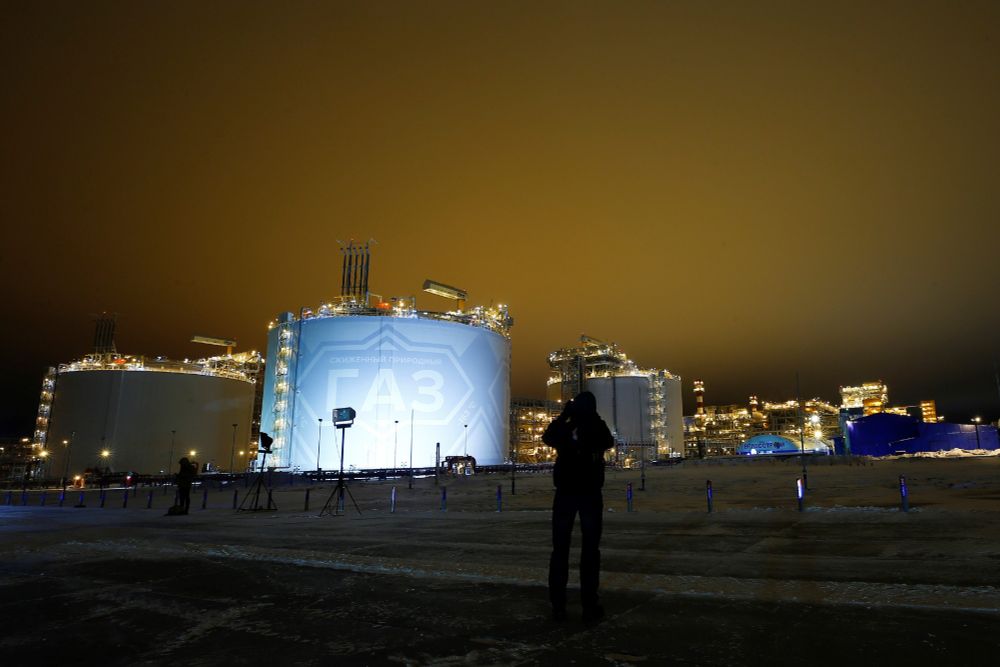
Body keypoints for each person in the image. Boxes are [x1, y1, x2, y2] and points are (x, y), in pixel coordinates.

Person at [543, 390, 614, 623]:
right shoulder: (596, 426)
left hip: (565, 494)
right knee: (590, 550)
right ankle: (589, 605)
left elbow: (548, 437)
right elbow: (607, 441)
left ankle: (558, 606)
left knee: (560, 550)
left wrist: (565, 416)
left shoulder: (566, 427)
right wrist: (588, 417)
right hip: (589, 494)